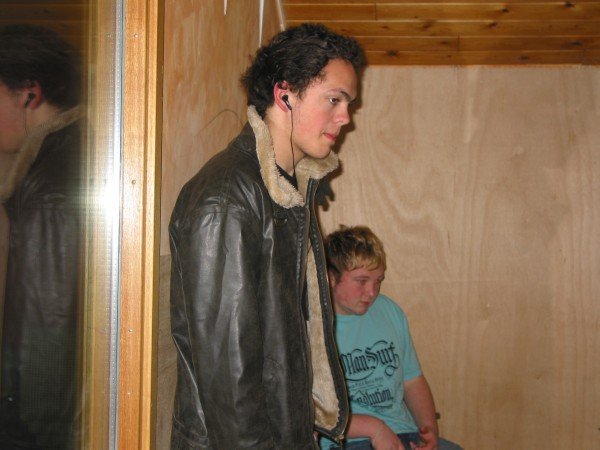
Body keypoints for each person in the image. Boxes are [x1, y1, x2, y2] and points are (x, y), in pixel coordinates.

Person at [168, 24, 365, 449]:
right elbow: (230, 381)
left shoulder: (286, 191)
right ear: (285, 94)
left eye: (347, 103)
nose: (345, 117)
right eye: (334, 99)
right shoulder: (228, 197)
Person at [0, 24, 83, 449]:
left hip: (34, 428)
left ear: (29, 95)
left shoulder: (48, 184)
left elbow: (47, 328)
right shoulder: (66, 154)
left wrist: (22, 434)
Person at [321, 226, 463, 450]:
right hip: (347, 440)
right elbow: (313, 412)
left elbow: (412, 380)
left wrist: (429, 431)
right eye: (362, 281)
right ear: (331, 278)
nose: (372, 292)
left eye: (378, 281)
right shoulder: (313, 328)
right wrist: (375, 429)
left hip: (402, 431)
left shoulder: (389, 311)